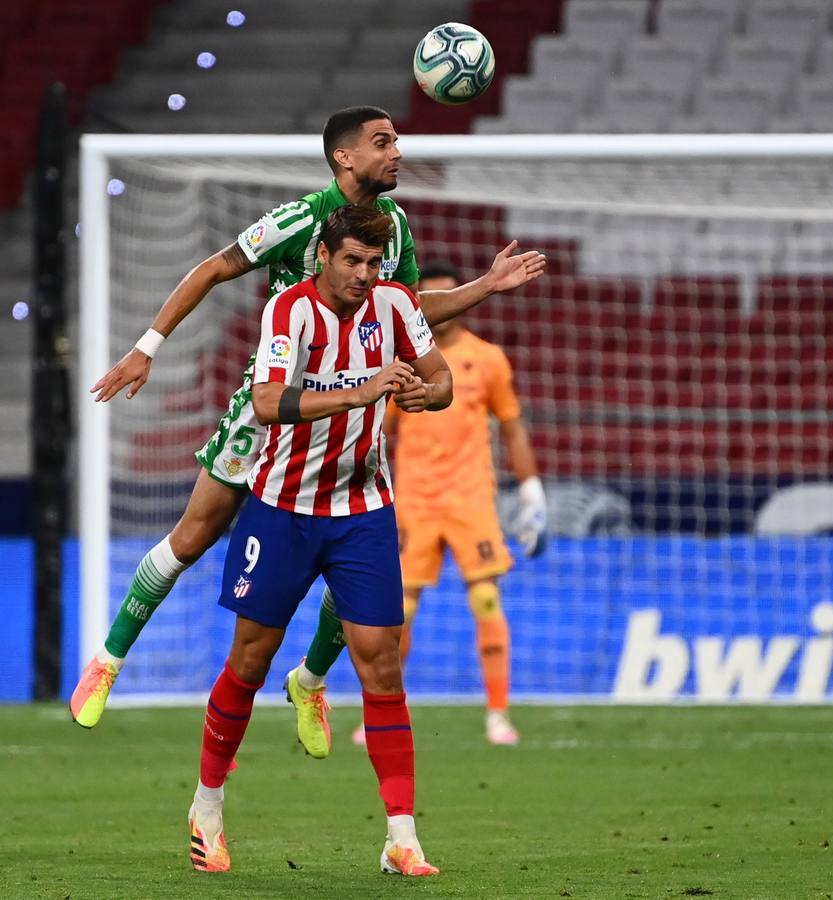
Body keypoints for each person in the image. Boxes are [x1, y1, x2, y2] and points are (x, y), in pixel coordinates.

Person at [70, 106, 545, 729]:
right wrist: (146, 347)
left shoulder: (394, 226)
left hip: (347, 424)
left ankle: (311, 680)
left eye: (397, 140)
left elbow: (408, 307)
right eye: (384, 142)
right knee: (192, 538)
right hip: (269, 413)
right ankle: (107, 659)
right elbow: (215, 266)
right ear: (344, 157)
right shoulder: (300, 219)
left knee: (353, 558)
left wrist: (484, 285)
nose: (398, 151)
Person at [189, 205, 449, 876]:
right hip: (281, 507)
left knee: (380, 663)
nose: (364, 274)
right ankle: (207, 809)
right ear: (325, 257)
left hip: (363, 508)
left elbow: (440, 373)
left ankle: (402, 838)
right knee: (250, 659)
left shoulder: (394, 306)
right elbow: (270, 403)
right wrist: (358, 394)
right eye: (352, 261)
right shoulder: (291, 313)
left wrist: (427, 393)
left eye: (373, 262)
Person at [324, 261, 547, 747]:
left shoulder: (487, 359)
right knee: (395, 614)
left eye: (452, 296)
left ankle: (497, 715)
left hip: (471, 500)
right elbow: (379, 432)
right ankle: (378, 716)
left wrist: (531, 488)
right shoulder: (401, 364)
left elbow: (510, 425)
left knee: (486, 600)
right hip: (415, 504)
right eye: (433, 299)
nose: (442, 309)